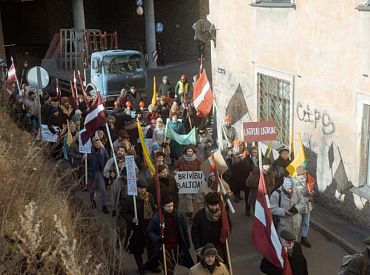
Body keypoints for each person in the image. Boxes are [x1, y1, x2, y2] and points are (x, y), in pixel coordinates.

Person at [146, 194, 194, 275]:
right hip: (164, 247)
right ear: (163, 207)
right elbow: (149, 231)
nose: (170, 208)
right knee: (168, 267)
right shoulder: (157, 217)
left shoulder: (178, 215)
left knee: (174, 264)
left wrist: (187, 243)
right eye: (168, 206)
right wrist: (157, 239)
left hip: (177, 246)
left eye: (171, 205)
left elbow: (184, 230)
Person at [121, 179, 155, 275]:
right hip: (137, 227)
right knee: (137, 249)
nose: (142, 190)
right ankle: (140, 267)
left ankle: (151, 265)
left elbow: (154, 209)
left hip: (149, 226)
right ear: (137, 188)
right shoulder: (131, 199)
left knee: (151, 247)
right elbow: (123, 212)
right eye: (140, 188)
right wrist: (132, 218)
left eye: (144, 188)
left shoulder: (150, 197)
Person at [192, 192, 230, 265]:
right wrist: (197, 247)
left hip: (218, 248)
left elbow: (228, 227)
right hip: (203, 249)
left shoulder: (223, 215)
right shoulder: (200, 215)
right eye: (211, 205)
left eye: (216, 205)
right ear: (207, 205)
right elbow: (194, 232)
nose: (214, 207)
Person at [226, 140, 254, 216]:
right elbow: (226, 167)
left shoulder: (246, 155)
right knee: (236, 189)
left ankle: (247, 209)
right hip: (235, 179)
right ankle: (236, 196)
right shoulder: (230, 156)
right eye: (237, 146)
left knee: (247, 195)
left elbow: (251, 165)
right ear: (234, 146)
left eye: (240, 146)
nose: (238, 148)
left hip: (246, 178)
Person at [174, 146, 202, 219]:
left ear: (193, 152)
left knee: (195, 196)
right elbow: (176, 166)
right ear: (186, 152)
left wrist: (199, 174)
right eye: (188, 151)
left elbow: (200, 168)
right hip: (185, 180)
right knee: (188, 196)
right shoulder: (181, 159)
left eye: (191, 151)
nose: (190, 152)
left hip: (194, 179)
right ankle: (190, 211)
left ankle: (195, 210)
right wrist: (176, 170)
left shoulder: (197, 159)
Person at [85, 136, 110, 214]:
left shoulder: (103, 150)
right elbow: (84, 162)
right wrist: (84, 158)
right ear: (93, 143)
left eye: (99, 142)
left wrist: (108, 170)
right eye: (96, 142)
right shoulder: (88, 151)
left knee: (103, 190)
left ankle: (104, 206)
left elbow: (107, 158)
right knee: (92, 190)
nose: (98, 143)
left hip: (100, 173)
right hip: (91, 173)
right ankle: (93, 201)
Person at [292, 166, 314, 248]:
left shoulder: (308, 181)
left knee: (306, 223)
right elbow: (297, 195)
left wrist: (312, 193)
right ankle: (295, 240)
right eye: (304, 173)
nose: (306, 174)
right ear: (300, 173)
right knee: (297, 224)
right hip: (298, 206)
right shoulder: (294, 181)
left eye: (306, 172)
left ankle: (304, 238)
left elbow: (310, 190)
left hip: (307, 205)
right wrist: (307, 196)